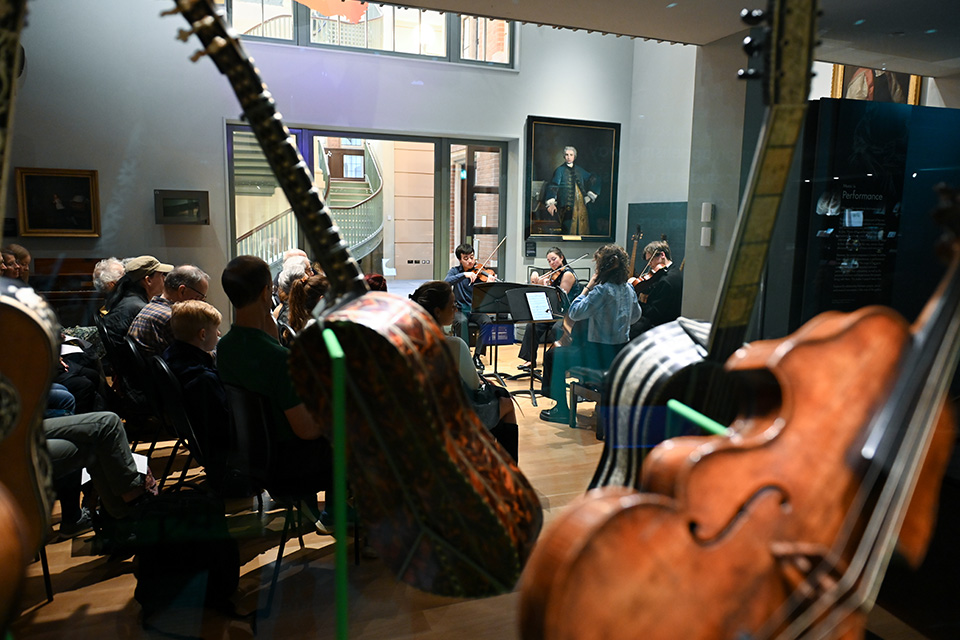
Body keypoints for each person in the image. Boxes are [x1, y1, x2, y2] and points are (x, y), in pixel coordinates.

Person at [216, 256, 334, 530]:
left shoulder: (226, 347)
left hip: (257, 460)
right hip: (291, 462)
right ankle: (340, 514)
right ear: (266, 290)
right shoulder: (277, 359)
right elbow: (308, 430)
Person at [410, 280, 519, 461]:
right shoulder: (453, 345)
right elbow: (474, 385)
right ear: (437, 312)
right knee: (506, 402)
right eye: (452, 305)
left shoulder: (408, 340)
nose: (455, 308)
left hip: (421, 413)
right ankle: (510, 472)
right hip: (452, 417)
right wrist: (483, 380)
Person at [539, 244, 641, 424]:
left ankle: (561, 409)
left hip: (598, 355)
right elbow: (635, 317)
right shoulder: (628, 288)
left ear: (602, 267)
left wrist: (587, 288)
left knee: (553, 355)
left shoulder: (601, 291)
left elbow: (575, 312)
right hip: (619, 353)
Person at [163, 300, 227, 476]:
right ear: (203, 334)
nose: (219, 333)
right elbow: (224, 426)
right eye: (216, 330)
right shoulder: (203, 379)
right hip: (222, 450)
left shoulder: (170, 355)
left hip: (198, 441)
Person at [518, 247, 583, 369]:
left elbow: (560, 298)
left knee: (556, 328)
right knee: (533, 325)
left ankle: (554, 358)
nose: (552, 263)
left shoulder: (567, 274)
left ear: (561, 257)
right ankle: (530, 359)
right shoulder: (553, 274)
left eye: (554, 259)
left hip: (567, 313)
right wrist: (537, 281)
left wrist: (546, 287)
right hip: (555, 312)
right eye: (549, 261)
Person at [127, 264, 210, 357]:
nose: (202, 303)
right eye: (200, 297)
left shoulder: (150, 307)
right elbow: (198, 356)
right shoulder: (173, 319)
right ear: (182, 291)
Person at [101, 255, 172, 353]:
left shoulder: (125, 297)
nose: (164, 279)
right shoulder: (140, 309)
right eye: (161, 275)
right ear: (148, 280)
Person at [444, 242, 496, 370]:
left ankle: (477, 356)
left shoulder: (480, 273)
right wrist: (464, 275)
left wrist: (489, 284)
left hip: (475, 310)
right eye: (466, 258)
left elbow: (487, 295)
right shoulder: (455, 271)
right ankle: (465, 355)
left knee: (487, 322)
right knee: (462, 321)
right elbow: (446, 282)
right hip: (459, 309)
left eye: (472, 257)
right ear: (460, 260)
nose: (470, 261)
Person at [629, 239, 683, 339]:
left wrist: (634, 303)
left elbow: (654, 312)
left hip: (661, 327)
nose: (650, 264)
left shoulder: (666, 280)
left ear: (662, 255)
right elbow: (655, 288)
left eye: (651, 260)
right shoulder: (674, 272)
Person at [544, 146, 599, 235]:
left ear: (574, 156)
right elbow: (554, 185)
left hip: (581, 203)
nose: (569, 157)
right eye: (566, 155)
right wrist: (551, 202)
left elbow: (593, 178)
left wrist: (591, 194)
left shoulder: (579, 170)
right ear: (564, 156)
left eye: (571, 155)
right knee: (568, 227)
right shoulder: (560, 170)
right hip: (566, 205)